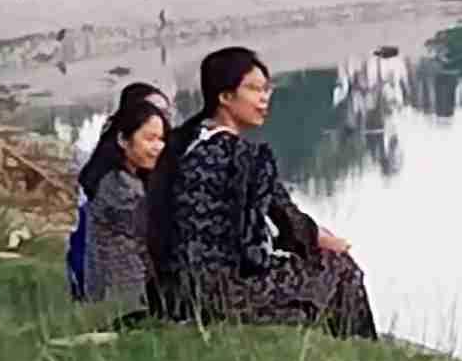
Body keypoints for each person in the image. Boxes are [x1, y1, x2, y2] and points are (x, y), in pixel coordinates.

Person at [144, 48, 376, 337]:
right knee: (341, 268)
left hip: (174, 294)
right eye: (253, 89)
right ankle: (359, 349)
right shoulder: (244, 157)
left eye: (266, 89)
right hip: (221, 297)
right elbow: (284, 226)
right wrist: (323, 240)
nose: (264, 98)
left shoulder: (185, 145)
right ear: (225, 98)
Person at [68, 82, 169, 299]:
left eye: (161, 139)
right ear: (124, 138)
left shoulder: (133, 176)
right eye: (150, 138)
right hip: (124, 295)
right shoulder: (117, 185)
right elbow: (156, 235)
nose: (158, 146)